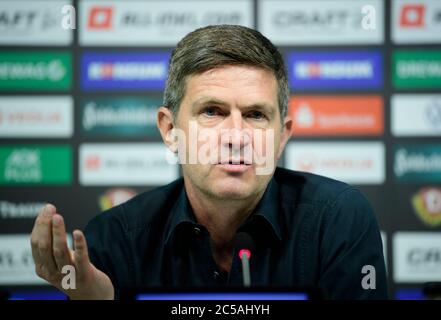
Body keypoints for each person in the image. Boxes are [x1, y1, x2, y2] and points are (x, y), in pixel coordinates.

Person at [30, 25, 388, 300]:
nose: (236, 136)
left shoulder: (340, 219)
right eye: (212, 111)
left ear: (282, 136)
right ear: (170, 130)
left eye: (255, 115)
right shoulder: (113, 238)